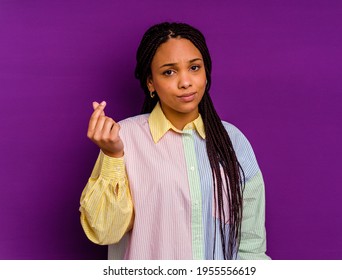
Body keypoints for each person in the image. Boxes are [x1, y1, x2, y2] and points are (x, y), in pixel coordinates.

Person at [79, 22, 270, 260]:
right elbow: (104, 231)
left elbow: (251, 246)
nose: (185, 82)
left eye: (194, 68)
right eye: (169, 71)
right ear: (151, 82)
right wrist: (112, 156)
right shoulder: (123, 138)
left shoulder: (233, 142)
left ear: (206, 72)